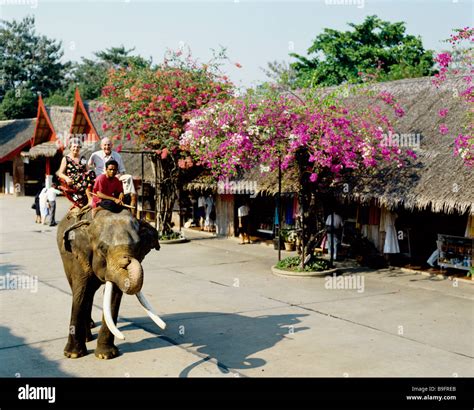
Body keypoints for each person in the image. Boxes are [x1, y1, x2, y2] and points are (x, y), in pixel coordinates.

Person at [88, 137, 136, 214]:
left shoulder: (117, 156)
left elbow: (122, 170)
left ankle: (128, 194)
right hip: (101, 178)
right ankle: (100, 208)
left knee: (128, 177)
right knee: (110, 203)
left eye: (109, 145)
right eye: (105, 145)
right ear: (101, 146)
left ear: (112, 145)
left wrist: (121, 192)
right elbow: (88, 166)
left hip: (115, 177)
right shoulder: (95, 155)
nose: (107, 147)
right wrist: (92, 175)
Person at [56, 139, 96, 207]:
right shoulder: (66, 159)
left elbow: (87, 170)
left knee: (91, 173)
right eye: (74, 146)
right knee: (86, 176)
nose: (76, 148)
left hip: (84, 179)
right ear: (70, 147)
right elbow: (60, 173)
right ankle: (90, 198)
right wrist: (66, 178)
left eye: (78, 147)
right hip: (73, 181)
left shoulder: (82, 158)